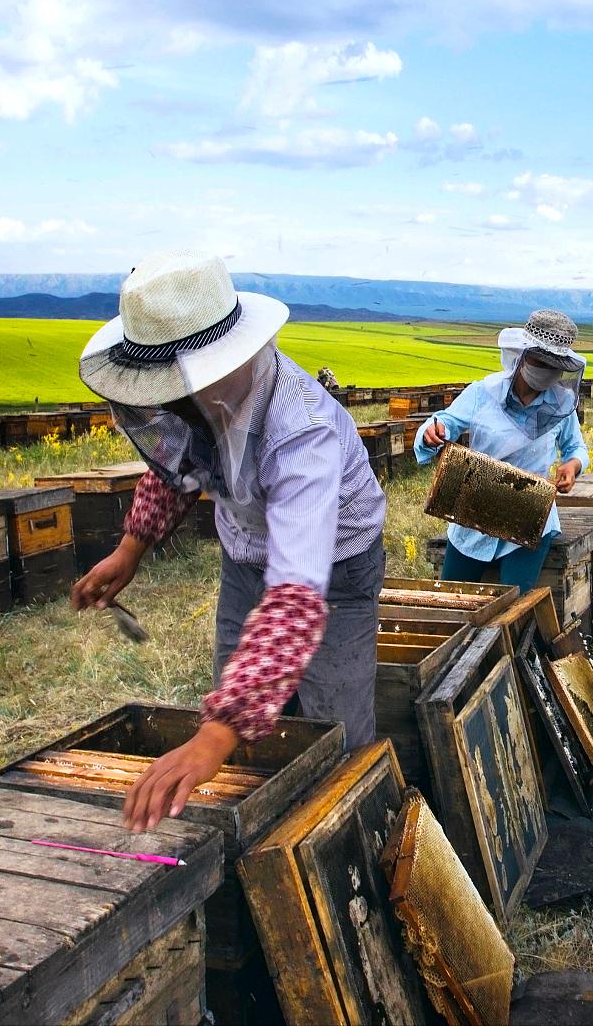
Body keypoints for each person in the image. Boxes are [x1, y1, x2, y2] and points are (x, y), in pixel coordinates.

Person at [68, 252, 387, 833]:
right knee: (237, 695)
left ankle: (352, 840)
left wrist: (215, 734)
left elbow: (296, 595)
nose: (167, 401)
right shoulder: (199, 402)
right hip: (245, 558)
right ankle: (262, 831)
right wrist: (130, 548)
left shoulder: (301, 434)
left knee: (336, 717)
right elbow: (179, 462)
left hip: (335, 567)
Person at [414, 309, 589, 592]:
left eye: (554, 366)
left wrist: (572, 466)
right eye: (540, 362)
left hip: (530, 513)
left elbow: (576, 447)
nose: (547, 371)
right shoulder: (482, 393)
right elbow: (444, 421)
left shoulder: (561, 404)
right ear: (521, 355)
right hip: (474, 507)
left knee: (513, 601)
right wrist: (433, 432)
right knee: (451, 596)